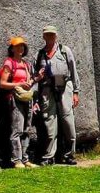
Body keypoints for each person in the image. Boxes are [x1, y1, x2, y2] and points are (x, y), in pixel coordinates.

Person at [33, 25, 80, 165]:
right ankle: (49, 156)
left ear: (56, 36)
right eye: (47, 35)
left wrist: (76, 92)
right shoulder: (39, 54)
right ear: (44, 36)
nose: (50, 37)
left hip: (65, 88)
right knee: (49, 124)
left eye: (52, 34)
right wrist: (35, 99)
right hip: (47, 90)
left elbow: (73, 71)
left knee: (68, 122)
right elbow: (35, 78)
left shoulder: (65, 51)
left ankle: (69, 155)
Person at [0, 36, 37, 169]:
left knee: (26, 129)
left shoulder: (26, 65)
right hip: (15, 99)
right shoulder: (9, 63)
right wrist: (19, 83)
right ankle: (16, 160)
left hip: (27, 98)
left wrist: (35, 80)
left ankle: (25, 159)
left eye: (22, 46)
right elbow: (2, 84)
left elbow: (30, 82)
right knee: (17, 129)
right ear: (12, 48)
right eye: (17, 46)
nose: (20, 48)